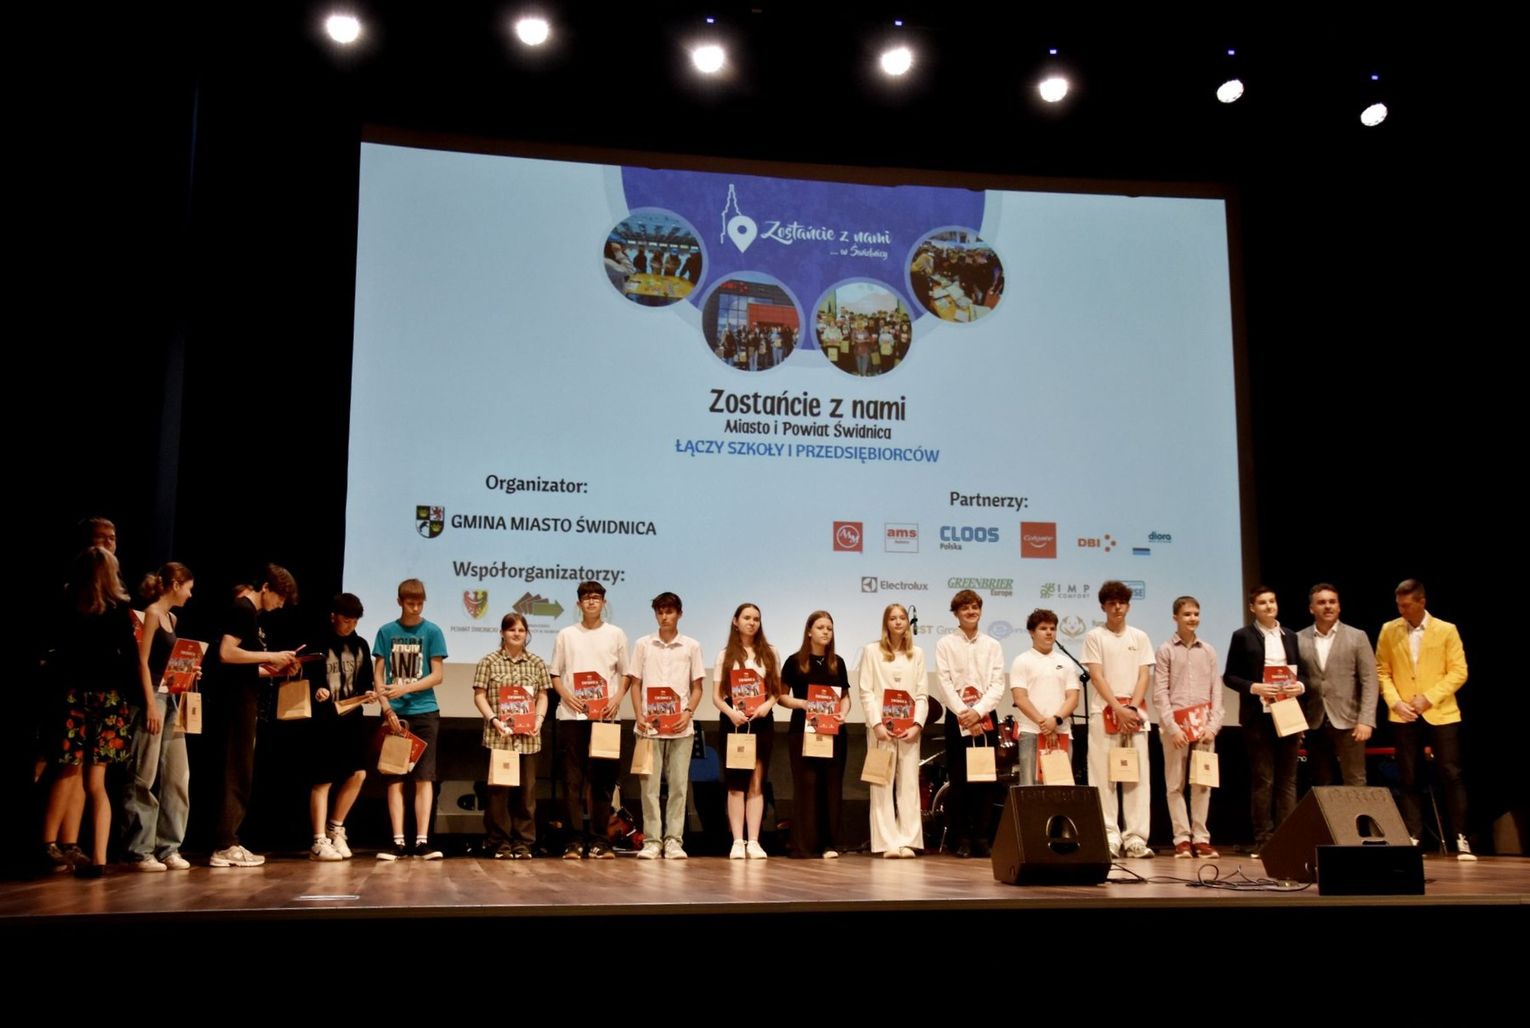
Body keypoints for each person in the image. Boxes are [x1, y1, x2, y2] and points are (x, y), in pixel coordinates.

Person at [40, 547, 139, 877]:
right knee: (96, 782)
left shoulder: (68, 606)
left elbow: (56, 654)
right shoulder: (119, 610)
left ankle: (50, 843)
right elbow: (130, 659)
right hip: (108, 700)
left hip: (74, 697)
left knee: (68, 770)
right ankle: (97, 858)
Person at [203, 564, 301, 867]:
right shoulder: (243, 609)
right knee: (235, 770)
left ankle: (228, 839)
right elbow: (225, 653)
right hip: (233, 703)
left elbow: (243, 666)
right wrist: (272, 655)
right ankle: (224, 844)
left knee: (240, 770)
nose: (280, 605)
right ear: (266, 588)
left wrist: (276, 669)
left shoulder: (251, 614)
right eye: (279, 597)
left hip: (243, 699)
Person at [1376, 579, 1474, 859]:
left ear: (1422, 602)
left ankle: (1461, 837)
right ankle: (1414, 836)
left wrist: (1429, 698)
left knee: (1451, 773)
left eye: (1407, 605)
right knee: (1409, 776)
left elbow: (1459, 671)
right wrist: (1396, 702)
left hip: (1440, 712)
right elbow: (1382, 671)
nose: (1402, 610)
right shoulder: (1389, 630)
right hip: (1404, 713)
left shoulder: (1446, 630)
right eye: (1399, 605)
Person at [122, 562, 196, 871]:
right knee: (144, 775)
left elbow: (167, 664)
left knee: (178, 776)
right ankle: (140, 850)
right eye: (188, 588)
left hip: (171, 697)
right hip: (152, 698)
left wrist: (188, 672)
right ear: (175, 585)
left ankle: (169, 847)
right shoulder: (152, 613)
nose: (190, 594)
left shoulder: (172, 618)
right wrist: (150, 703)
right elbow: (141, 662)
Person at [549, 580, 629, 859]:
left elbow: (626, 673)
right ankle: (573, 840)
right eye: (586, 597)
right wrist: (567, 696)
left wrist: (616, 699)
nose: (592, 601)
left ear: (604, 603)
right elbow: (555, 674)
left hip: (606, 717)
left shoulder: (616, 634)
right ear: (579, 603)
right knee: (572, 781)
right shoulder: (566, 634)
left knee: (603, 781)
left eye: (596, 597)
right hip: (572, 716)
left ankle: (600, 840)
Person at [1222, 584, 1304, 855]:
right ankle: (1265, 840)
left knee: (1288, 780)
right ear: (1252, 608)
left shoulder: (1290, 635)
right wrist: (1254, 687)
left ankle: (1288, 837)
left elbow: (1303, 673)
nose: (1269, 606)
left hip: (1287, 711)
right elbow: (1230, 676)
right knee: (1264, 779)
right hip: (1258, 717)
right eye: (1262, 603)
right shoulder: (1243, 636)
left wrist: (1299, 686)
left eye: (1272, 601)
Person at [373, 578, 449, 860]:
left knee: (424, 777)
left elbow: (437, 675)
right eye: (410, 603)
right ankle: (397, 841)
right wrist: (387, 709)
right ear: (400, 602)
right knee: (395, 777)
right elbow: (378, 674)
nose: (415, 608)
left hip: (425, 711)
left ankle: (421, 841)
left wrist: (405, 688)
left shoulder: (433, 631)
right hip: (395, 714)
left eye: (419, 603)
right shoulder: (386, 631)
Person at [628, 592, 705, 859]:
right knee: (648, 787)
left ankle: (673, 840)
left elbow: (697, 687)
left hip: (680, 728)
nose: (664, 617)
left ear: (679, 614)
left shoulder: (691, 646)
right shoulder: (643, 644)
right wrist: (638, 714)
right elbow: (635, 684)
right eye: (660, 612)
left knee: (678, 787)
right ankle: (652, 841)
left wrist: (688, 712)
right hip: (648, 727)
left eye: (669, 611)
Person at [1082, 580, 1155, 858]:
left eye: (1122, 603)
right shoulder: (1095, 636)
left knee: (1137, 777)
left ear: (1128, 606)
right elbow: (1097, 676)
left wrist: (1131, 708)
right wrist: (1117, 708)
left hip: (1135, 714)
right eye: (1111, 603)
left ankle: (1135, 838)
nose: (1117, 608)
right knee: (1103, 778)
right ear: (1103, 607)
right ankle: (1109, 836)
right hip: (1104, 712)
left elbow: (1144, 676)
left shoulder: (1140, 637)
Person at [934, 589, 1006, 858]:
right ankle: (961, 838)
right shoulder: (945, 644)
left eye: (975, 607)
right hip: (957, 717)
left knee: (985, 780)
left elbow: (998, 684)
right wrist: (965, 713)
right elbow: (944, 683)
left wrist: (979, 711)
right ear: (956, 613)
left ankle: (981, 838)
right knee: (960, 780)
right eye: (965, 608)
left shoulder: (993, 645)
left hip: (985, 716)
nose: (971, 611)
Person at [472, 611, 549, 860]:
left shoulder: (537, 663)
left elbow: (543, 696)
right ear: (502, 633)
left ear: (527, 634)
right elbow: (479, 696)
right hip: (500, 737)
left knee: (526, 795)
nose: (517, 634)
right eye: (512, 629)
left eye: (521, 630)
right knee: (499, 795)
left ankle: (523, 844)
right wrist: (494, 720)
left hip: (528, 738)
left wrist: (538, 719)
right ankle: (499, 843)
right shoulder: (489, 662)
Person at [1153, 596, 1226, 859]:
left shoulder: (1208, 651)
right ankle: (1182, 838)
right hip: (1176, 728)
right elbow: (1160, 693)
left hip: (1204, 728)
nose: (1192, 618)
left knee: (1202, 784)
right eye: (1187, 614)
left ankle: (1201, 838)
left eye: (1196, 613)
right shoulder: (1166, 650)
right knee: (1175, 784)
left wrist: (1213, 726)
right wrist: (1173, 728)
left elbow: (1217, 691)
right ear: (1175, 617)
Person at [306, 592, 375, 861]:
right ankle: (317, 840)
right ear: (333, 616)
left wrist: (368, 693)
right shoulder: (318, 642)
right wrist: (317, 689)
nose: (351, 626)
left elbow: (366, 680)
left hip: (353, 718)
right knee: (323, 779)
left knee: (359, 774)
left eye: (355, 621)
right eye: (347, 620)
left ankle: (335, 828)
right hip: (324, 720)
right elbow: (306, 676)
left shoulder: (361, 645)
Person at [857, 603, 927, 857]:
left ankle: (908, 840)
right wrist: (876, 724)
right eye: (893, 618)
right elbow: (866, 690)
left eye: (902, 618)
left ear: (908, 622)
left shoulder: (916, 654)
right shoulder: (872, 651)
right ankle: (887, 842)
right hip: (881, 729)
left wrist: (917, 724)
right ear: (886, 623)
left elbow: (922, 694)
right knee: (881, 783)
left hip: (909, 729)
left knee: (909, 784)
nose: (898, 622)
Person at [714, 603, 782, 859]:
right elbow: (716, 696)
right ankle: (737, 841)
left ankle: (753, 841)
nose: (752, 622)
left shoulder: (770, 652)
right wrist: (731, 712)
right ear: (736, 621)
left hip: (761, 722)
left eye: (756, 618)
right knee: (735, 783)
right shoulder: (725, 655)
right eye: (746, 618)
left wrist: (767, 705)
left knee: (756, 781)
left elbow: (777, 690)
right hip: (734, 722)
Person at [781, 610, 851, 858]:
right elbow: (781, 696)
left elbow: (845, 697)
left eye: (829, 628)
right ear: (809, 631)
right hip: (803, 732)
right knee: (807, 785)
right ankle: (804, 845)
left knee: (831, 786)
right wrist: (802, 703)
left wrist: (843, 713)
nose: (825, 632)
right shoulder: (794, 661)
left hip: (833, 732)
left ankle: (829, 844)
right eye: (820, 627)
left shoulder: (837, 662)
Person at [1296, 583, 1379, 787]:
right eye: (1321, 602)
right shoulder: (1298, 638)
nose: (1328, 606)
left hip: (1350, 721)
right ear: (1311, 608)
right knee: (1320, 783)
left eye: (1332, 602)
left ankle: (1357, 812)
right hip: (1314, 721)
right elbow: (1294, 683)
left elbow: (1370, 680)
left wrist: (1366, 720)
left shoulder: (1357, 636)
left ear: (1339, 606)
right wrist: (1296, 723)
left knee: (1355, 780)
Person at [1009, 608, 1080, 789]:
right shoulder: (1021, 661)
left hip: (1061, 732)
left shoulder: (1066, 662)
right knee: (1029, 788)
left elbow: (1073, 697)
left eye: (1052, 628)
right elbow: (1020, 698)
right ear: (1031, 632)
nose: (1049, 632)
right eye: (1043, 628)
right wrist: (1044, 723)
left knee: (1060, 788)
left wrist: (1055, 720)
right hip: (1031, 732)